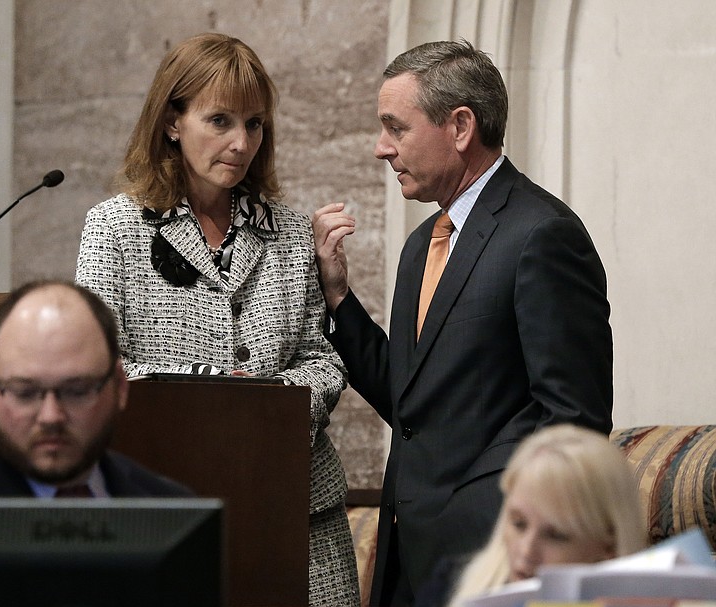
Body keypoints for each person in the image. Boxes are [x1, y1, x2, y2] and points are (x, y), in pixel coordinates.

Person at [312, 39, 613, 606]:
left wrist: (469, 515)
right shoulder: (420, 244)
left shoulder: (543, 235)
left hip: (491, 563)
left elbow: (573, 418)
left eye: (395, 128)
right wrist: (338, 297)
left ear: (459, 126)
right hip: (405, 565)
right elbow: (411, 402)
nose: (381, 148)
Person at [74, 33, 359, 606]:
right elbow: (99, 367)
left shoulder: (288, 229)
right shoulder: (115, 228)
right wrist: (212, 403)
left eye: (254, 124)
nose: (240, 142)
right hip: (170, 515)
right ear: (172, 122)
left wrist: (271, 406)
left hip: (298, 512)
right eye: (220, 120)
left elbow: (320, 360)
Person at [0, 280, 192, 602]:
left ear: (120, 386)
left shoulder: (165, 512)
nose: (51, 416)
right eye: (24, 392)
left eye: (77, 390)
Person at [444, 424, 646, 607]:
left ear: (609, 546)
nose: (526, 551)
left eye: (556, 535)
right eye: (518, 524)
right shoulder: (448, 584)